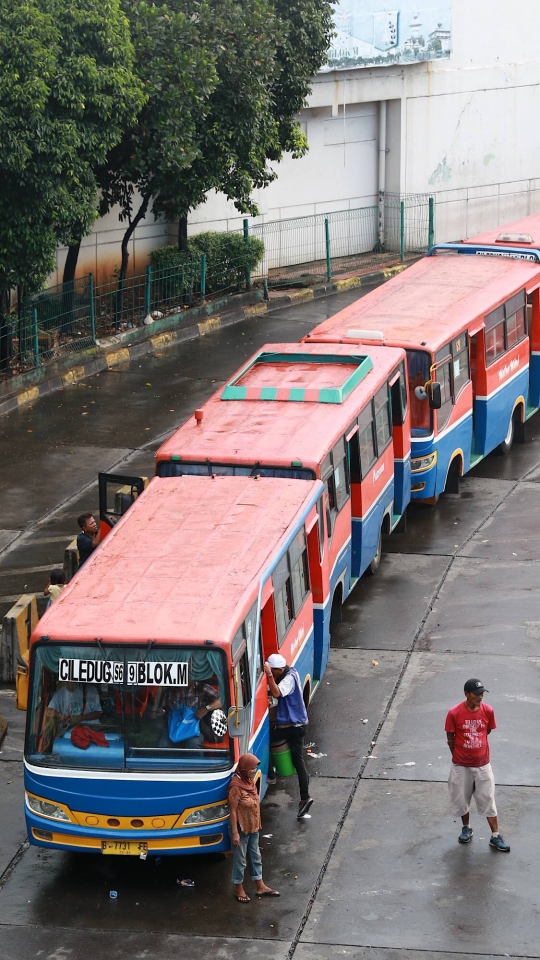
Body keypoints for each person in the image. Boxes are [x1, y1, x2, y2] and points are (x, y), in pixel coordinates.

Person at [445, 678, 510, 852]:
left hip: (482, 764)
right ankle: (466, 827)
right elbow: (450, 737)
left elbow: (486, 731)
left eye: (482, 694)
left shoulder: (488, 711)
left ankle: (495, 836)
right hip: (461, 765)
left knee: (488, 799)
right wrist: (458, 756)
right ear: (467, 694)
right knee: (461, 798)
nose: (480, 697)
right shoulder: (454, 713)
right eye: (477, 694)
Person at [264, 653, 313, 819]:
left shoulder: (288, 679)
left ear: (278, 669)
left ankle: (270, 774)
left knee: (266, 739)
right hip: (300, 723)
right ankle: (305, 797)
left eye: (272, 672)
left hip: (293, 726)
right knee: (298, 760)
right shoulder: (291, 671)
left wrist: (269, 676)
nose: (271, 674)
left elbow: (277, 693)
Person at [228, 753, 280, 903]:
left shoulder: (249, 782)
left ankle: (260, 885)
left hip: (253, 828)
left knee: (255, 857)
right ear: (243, 769)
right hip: (241, 829)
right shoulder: (236, 788)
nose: (253, 772)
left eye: (255, 768)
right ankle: (239, 888)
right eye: (251, 769)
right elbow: (232, 811)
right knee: (240, 860)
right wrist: (235, 833)